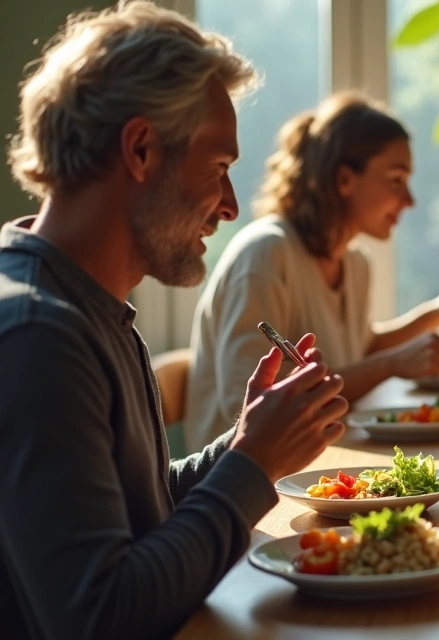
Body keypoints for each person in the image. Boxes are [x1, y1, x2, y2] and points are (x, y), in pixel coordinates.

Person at [0, 2, 349, 638]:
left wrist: (246, 440)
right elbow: (103, 617)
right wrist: (252, 463)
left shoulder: (88, 306)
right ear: (139, 149)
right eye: (218, 169)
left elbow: (139, 508)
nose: (231, 206)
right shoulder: (36, 335)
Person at [186, 92, 439, 450]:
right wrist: (391, 364)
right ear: (345, 179)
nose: (409, 199)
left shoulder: (354, 261)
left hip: (322, 455)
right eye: (396, 179)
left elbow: (360, 350)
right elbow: (253, 402)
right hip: (244, 481)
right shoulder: (266, 253)